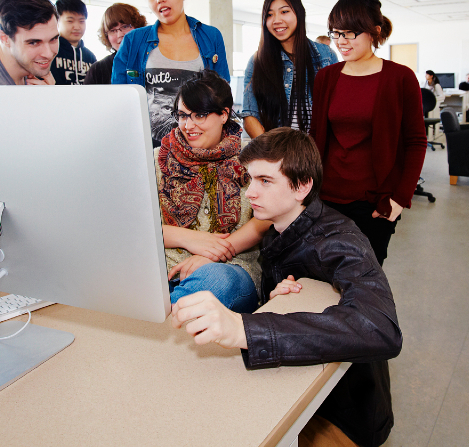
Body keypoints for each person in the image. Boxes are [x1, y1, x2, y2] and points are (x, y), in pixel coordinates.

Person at [171, 128, 402, 447]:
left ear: (302, 186)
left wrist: (244, 329)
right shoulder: (279, 230)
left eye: (265, 181)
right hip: (299, 391)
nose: (251, 193)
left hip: (341, 415)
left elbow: (380, 329)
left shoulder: (340, 241)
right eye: (250, 179)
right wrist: (277, 301)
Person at [311, 0, 426, 266]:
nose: (341, 41)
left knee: (365, 281)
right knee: (324, 276)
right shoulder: (327, 77)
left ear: (374, 32)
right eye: (336, 32)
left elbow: (416, 142)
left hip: (376, 203)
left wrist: (400, 200)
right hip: (327, 198)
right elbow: (316, 138)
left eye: (351, 33)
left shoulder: (400, 78)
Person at [158, 71, 266, 313]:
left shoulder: (253, 157)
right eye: (183, 116)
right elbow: (133, 225)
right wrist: (188, 238)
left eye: (200, 115)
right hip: (164, 268)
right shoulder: (160, 158)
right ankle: (169, 312)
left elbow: (267, 219)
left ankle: (164, 316)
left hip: (231, 266)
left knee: (217, 283)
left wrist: (213, 255)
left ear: (224, 114)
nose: (188, 125)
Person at [112, 0, 229, 146]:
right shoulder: (133, 40)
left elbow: (222, 92)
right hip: (148, 143)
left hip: (198, 143)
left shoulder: (210, 36)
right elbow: (119, 96)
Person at [242, 0, 338, 138]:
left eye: (284, 12)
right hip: (276, 154)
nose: (276, 20)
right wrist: (273, 154)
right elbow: (249, 115)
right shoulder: (258, 61)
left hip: (317, 154)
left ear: (299, 13)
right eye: (269, 14)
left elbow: (335, 112)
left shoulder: (326, 56)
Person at [83, 3, 147, 85]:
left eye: (125, 26)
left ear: (138, 27)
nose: (120, 35)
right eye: (112, 31)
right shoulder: (98, 69)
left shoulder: (153, 60)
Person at [50, 0, 96, 85]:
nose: (77, 27)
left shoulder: (90, 57)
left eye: (81, 21)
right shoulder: (50, 52)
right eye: (70, 21)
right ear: (57, 21)